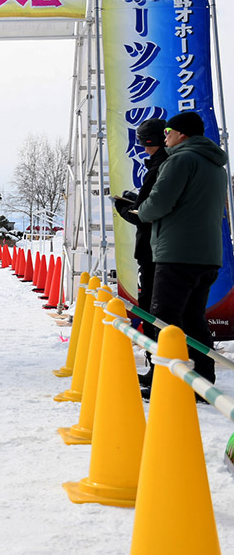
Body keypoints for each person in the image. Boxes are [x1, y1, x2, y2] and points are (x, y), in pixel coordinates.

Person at [135, 111, 227, 398]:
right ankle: (202, 379)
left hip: (177, 253)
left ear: (181, 134)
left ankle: (164, 380)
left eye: (168, 132)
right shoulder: (216, 166)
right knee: (194, 318)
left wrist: (141, 211)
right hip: (208, 255)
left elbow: (157, 203)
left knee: (165, 319)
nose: (165, 137)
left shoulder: (180, 160)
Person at [113, 118, 168, 386]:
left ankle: (159, 370)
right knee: (172, 313)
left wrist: (124, 208)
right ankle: (167, 370)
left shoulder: (162, 167)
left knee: (154, 311)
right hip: (164, 249)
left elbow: (147, 214)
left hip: (154, 250)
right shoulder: (172, 165)